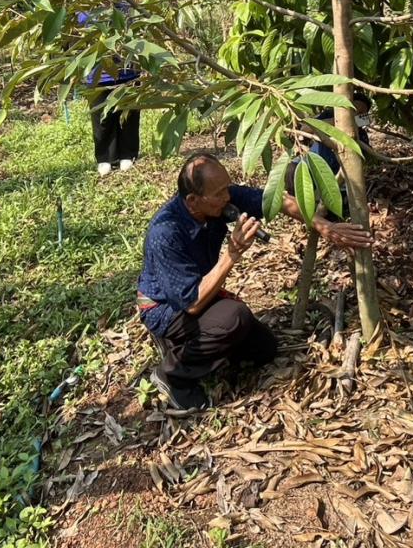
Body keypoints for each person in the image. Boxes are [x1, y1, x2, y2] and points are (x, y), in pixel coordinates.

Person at [136, 151, 374, 410]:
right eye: (219, 194)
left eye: (227, 189)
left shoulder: (218, 200)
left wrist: (323, 226)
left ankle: (199, 346)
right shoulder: (165, 233)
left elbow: (278, 200)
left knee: (264, 349)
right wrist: (232, 253)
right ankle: (174, 374)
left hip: (201, 289)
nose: (227, 198)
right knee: (234, 317)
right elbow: (191, 303)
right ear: (193, 200)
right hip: (167, 307)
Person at [77, 9, 140, 176]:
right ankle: (105, 158)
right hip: (98, 76)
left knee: (129, 116)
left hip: (127, 73)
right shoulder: (84, 10)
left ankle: (128, 154)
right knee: (102, 119)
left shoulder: (126, 6)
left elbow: (137, 35)